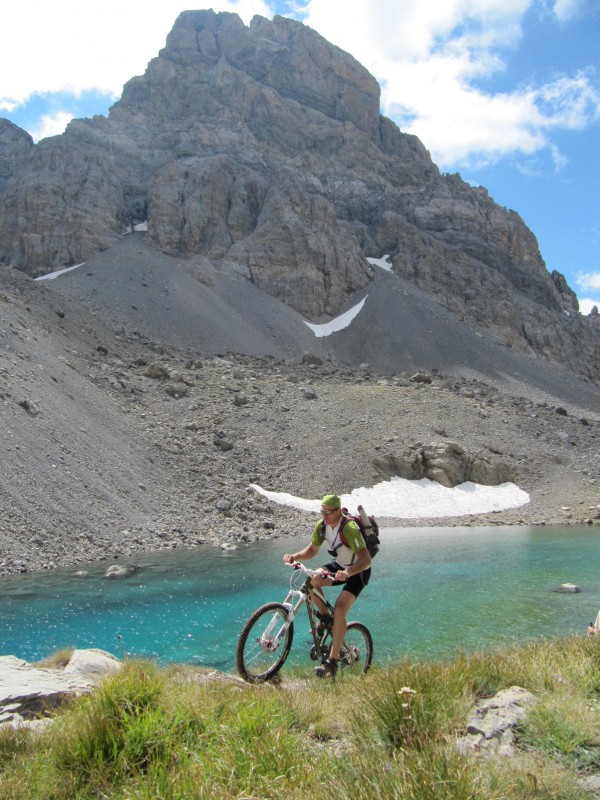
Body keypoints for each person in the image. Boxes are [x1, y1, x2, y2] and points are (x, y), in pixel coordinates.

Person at [282, 493, 371, 678]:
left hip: (358, 571)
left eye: (328, 512)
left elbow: (366, 559)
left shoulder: (349, 528)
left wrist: (349, 572)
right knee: (311, 582)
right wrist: (295, 557)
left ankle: (332, 661)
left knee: (340, 609)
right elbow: (312, 550)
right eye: (322, 511)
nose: (324, 515)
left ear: (338, 511)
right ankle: (325, 618)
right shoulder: (322, 526)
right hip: (340, 565)